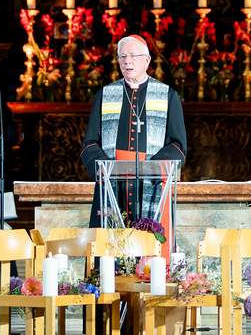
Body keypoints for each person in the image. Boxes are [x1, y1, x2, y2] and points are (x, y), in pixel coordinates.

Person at [80, 34, 186, 238]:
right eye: (122, 56)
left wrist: (152, 168)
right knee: (108, 247)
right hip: (113, 185)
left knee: (149, 247)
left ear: (147, 60)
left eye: (133, 55)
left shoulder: (168, 95)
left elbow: (178, 145)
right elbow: (89, 143)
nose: (127, 61)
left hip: (152, 184)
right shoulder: (105, 95)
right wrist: (105, 169)